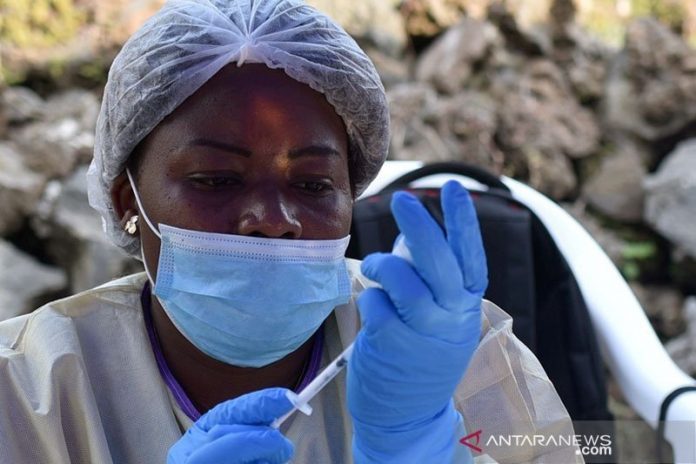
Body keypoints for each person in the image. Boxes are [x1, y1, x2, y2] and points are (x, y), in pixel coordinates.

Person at [0, 1, 581, 463]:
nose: (274, 219)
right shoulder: (24, 392)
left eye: (312, 184)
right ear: (127, 197)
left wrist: (426, 449)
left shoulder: (453, 354)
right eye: (216, 178)